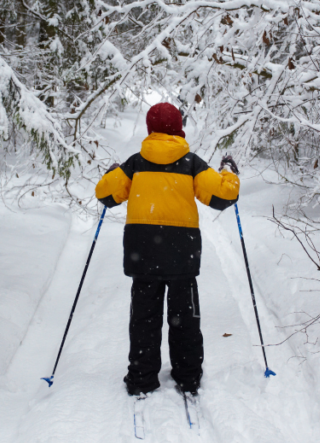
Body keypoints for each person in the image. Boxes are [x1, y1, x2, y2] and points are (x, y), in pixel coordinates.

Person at [95, 103, 240, 396]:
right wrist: (229, 171)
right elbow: (224, 196)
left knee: (144, 318)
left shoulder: (135, 163)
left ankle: (141, 377)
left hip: (143, 252)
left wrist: (112, 173)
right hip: (181, 254)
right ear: (179, 128)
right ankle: (187, 376)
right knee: (185, 317)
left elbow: (106, 194)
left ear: (150, 129)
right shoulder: (191, 163)